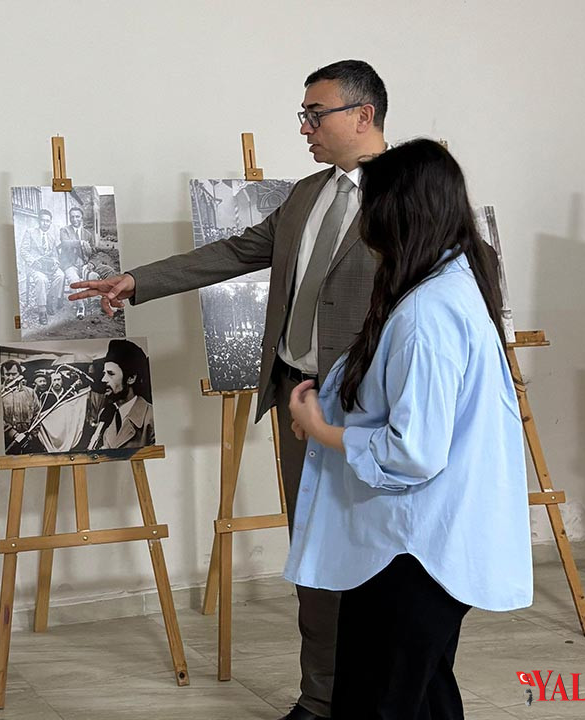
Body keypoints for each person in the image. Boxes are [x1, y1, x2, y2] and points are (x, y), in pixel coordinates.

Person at [70, 59, 389, 720]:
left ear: (364, 115)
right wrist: (137, 282)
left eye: (316, 113)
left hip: (374, 409)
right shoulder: (306, 194)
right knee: (315, 559)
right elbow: (236, 251)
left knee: (383, 563)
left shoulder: (411, 198)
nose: (304, 127)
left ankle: (383, 694)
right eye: (302, 114)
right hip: (300, 402)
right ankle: (322, 697)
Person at [287, 139, 531, 719]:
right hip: (422, 545)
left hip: (411, 548)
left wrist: (321, 430)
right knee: (423, 695)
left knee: (377, 701)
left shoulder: (427, 311)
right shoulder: (450, 283)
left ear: (395, 212)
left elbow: (413, 452)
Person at [87, 339, 156, 450]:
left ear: (131, 378)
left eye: (111, 374)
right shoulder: (106, 414)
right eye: (105, 373)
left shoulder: (151, 418)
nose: (104, 379)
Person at [20, 208, 65, 325]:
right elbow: (23, 251)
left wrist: (56, 263)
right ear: (38, 221)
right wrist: (33, 262)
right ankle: (42, 310)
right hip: (35, 266)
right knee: (41, 279)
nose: (45, 223)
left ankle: (51, 301)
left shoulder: (51, 237)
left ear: (50, 222)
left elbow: (55, 254)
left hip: (47, 266)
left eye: (48, 221)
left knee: (60, 275)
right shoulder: (30, 232)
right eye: (43, 220)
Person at [1, 360, 40, 452]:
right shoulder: (0, 394)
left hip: (29, 441)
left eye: (14, 374)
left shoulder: (30, 392)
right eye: (7, 374)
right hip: (8, 442)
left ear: (20, 374)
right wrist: (13, 434)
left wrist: (31, 435)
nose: (11, 377)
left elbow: (37, 414)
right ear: (2, 375)